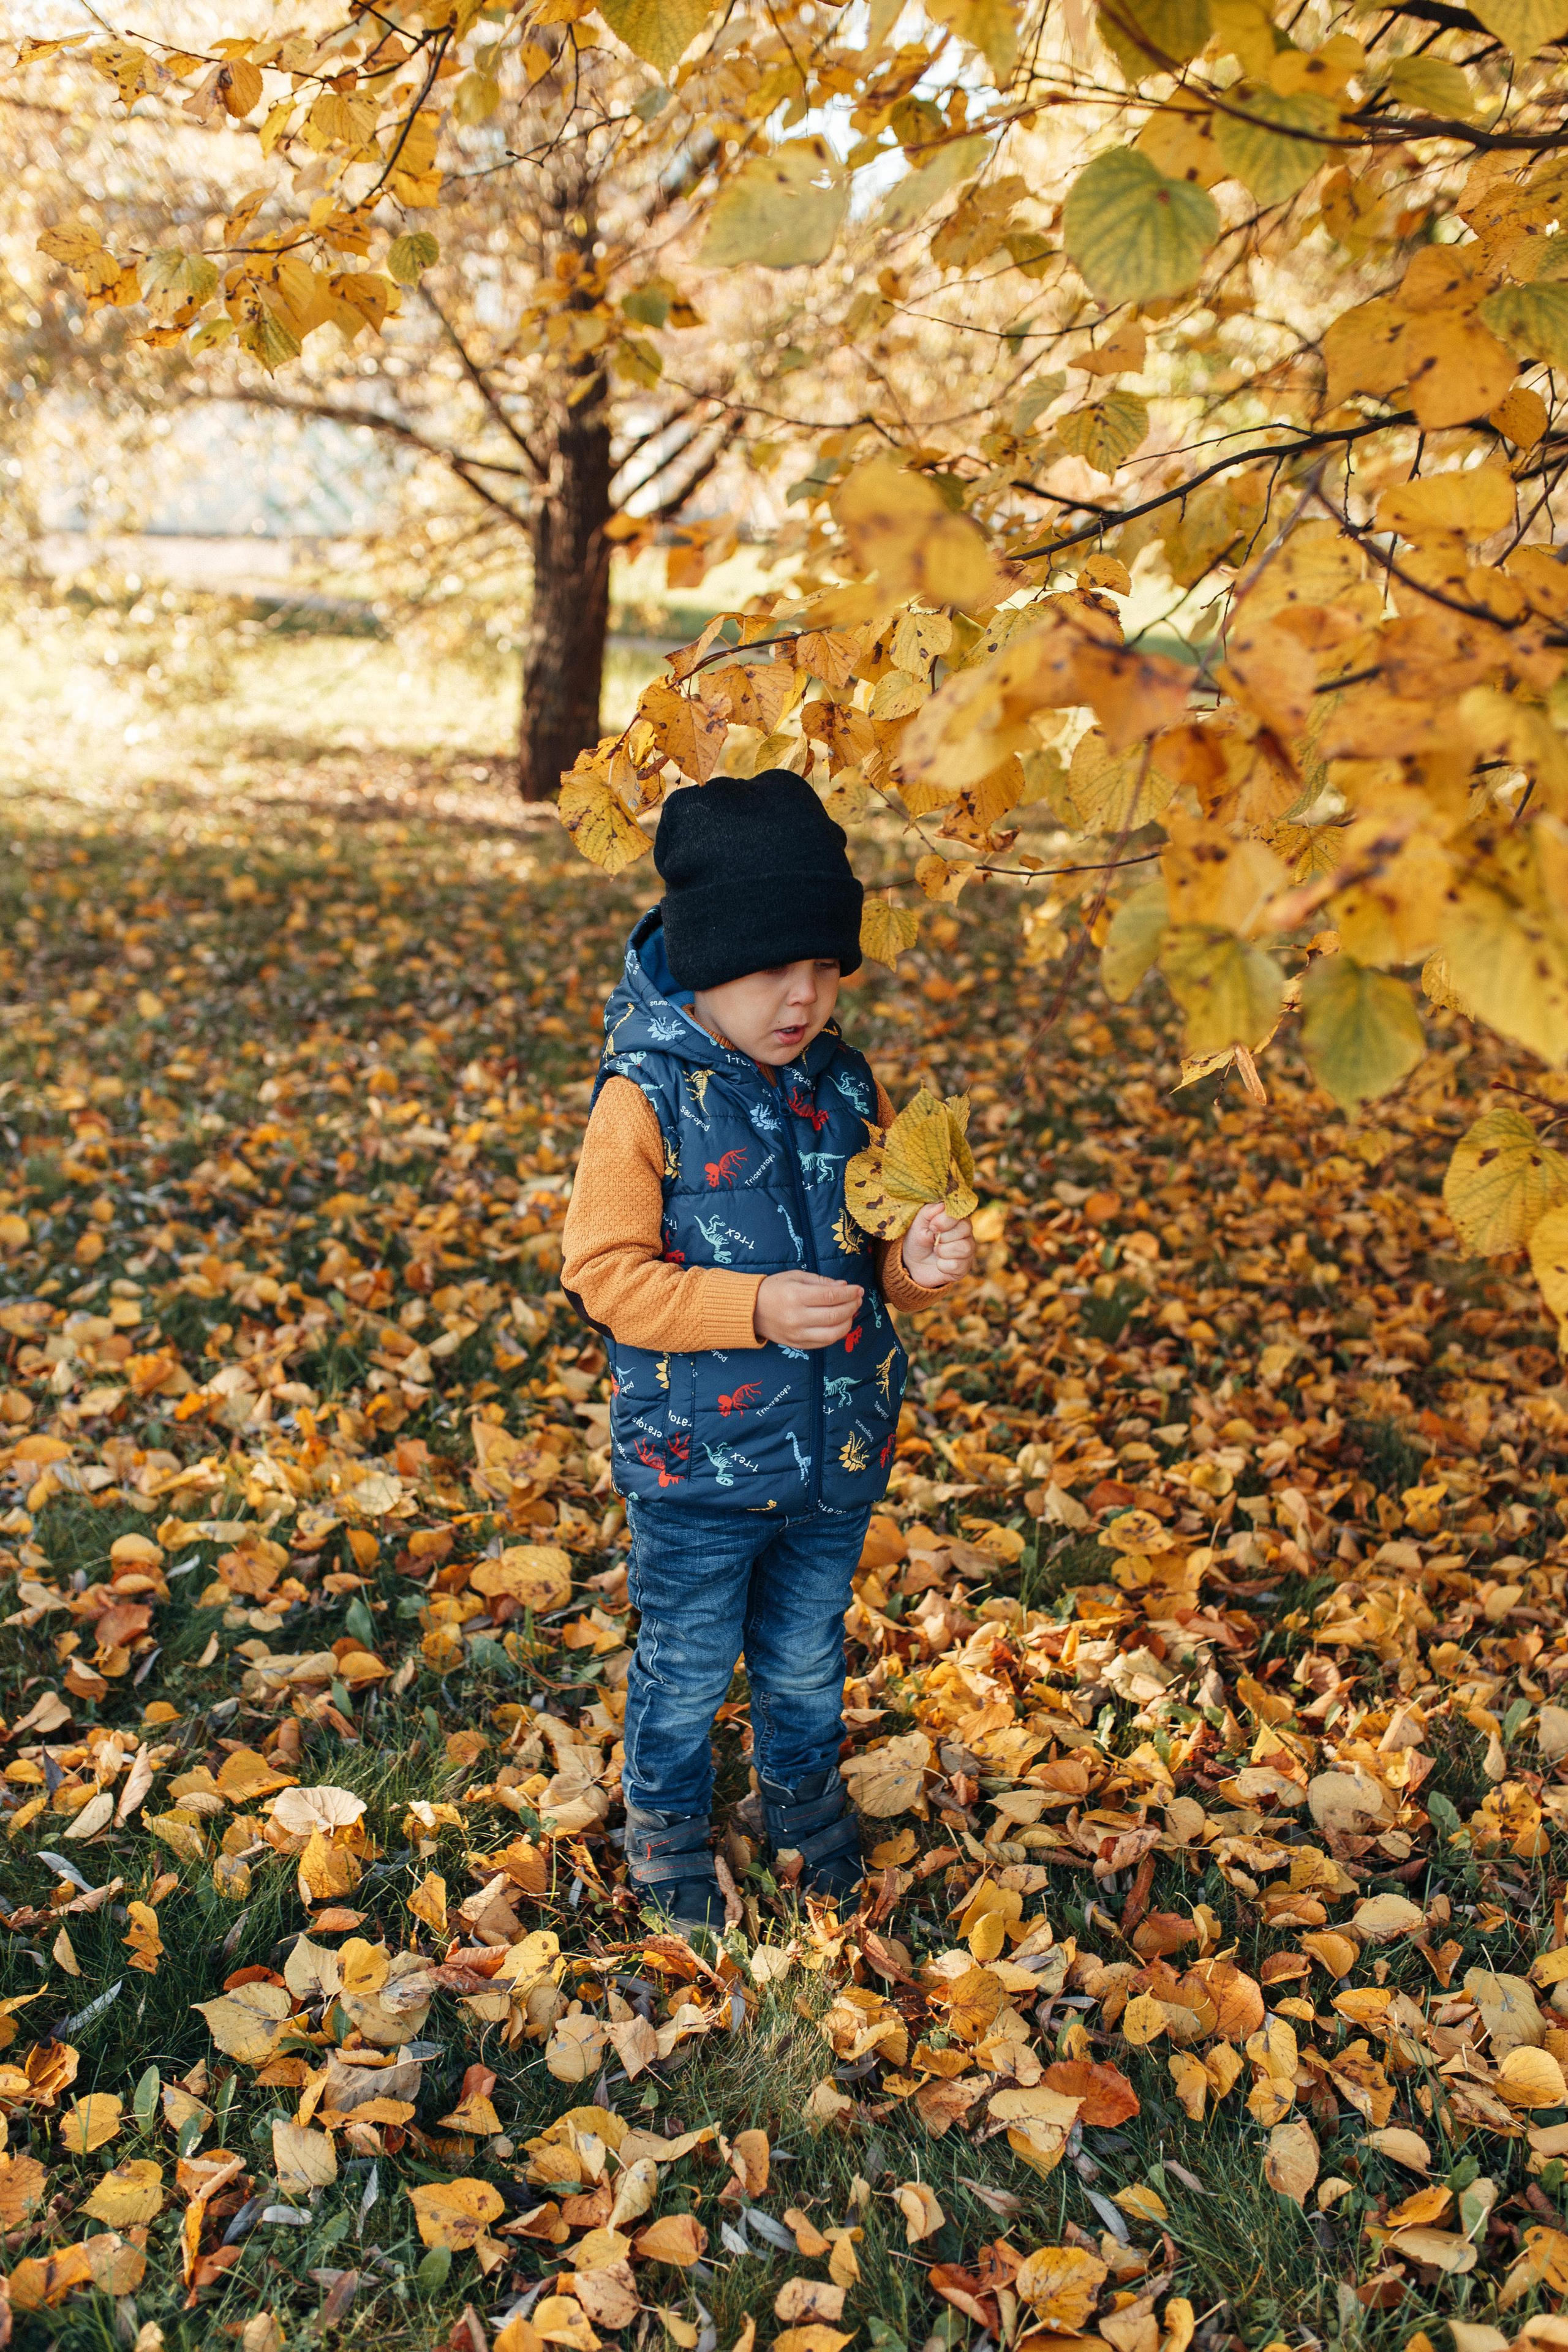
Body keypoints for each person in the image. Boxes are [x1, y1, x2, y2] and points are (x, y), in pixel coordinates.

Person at [561, 769, 975, 1929]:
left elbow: (873, 1262)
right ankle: (668, 1826)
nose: (802, 995)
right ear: (704, 958)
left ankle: (798, 1802)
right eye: (769, 968)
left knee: (802, 1658)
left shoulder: (845, 1084)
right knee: (688, 1668)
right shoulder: (644, 1099)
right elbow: (603, 1276)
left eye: (825, 966)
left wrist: (917, 1268)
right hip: (699, 1467)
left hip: (836, 1453)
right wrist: (746, 1309)